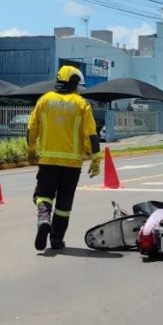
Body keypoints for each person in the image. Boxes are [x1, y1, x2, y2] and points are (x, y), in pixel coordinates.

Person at [27, 65, 100, 251]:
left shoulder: (44, 100)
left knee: (43, 195)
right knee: (64, 203)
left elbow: (31, 128)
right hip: (72, 164)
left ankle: (44, 219)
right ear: (75, 84)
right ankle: (57, 240)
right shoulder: (81, 104)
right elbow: (90, 133)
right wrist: (95, 157)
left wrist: (31, 148)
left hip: (48, 161)